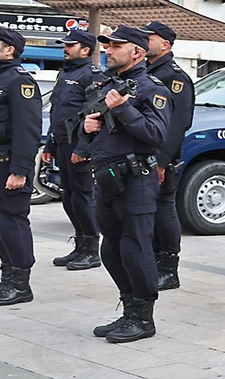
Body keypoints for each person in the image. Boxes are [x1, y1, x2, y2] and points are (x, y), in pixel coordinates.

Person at [85, 26, 171, 342]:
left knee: (136, 248)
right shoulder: (108, 86)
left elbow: (156, 135)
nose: (108, 50)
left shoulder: (152, 89)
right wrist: (87, 127)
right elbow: (97, 133)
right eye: (108, 45)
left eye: (116, 46)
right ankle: (128, 307)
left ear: (136, 52)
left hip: (136, 180)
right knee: (111, 248)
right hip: (106, 178)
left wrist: (122, 108)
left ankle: (143, 317)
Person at [0, 23, 42, 306]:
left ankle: (20, 284)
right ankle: (7, 277)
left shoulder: (19, 81)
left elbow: (27, 130)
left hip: (7, 164)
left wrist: (20, 170)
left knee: (11, 223)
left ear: (9, 49)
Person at [45, 26, 101, 270]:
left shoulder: (92, 75)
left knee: (82, 197)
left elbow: (95, 117)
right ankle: (80, 245)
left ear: (85, 50)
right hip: (62, 143)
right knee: (68, 197)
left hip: (79, 146)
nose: (65, 49)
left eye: (70, 45)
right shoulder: (65, 73)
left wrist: (83, 149)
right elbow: (58, 111)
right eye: (65, 45)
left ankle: (92, 249)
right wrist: (50, 143)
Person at [144, 21, 194, 290]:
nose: (144, 42)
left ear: (165, 44)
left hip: (162, 159)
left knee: (164, 211)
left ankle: (168, 267)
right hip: (143, 155)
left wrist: (162, 161)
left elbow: (178, 124)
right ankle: (151, 260)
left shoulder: (174, 78)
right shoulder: (147, 72)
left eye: (148, 38)